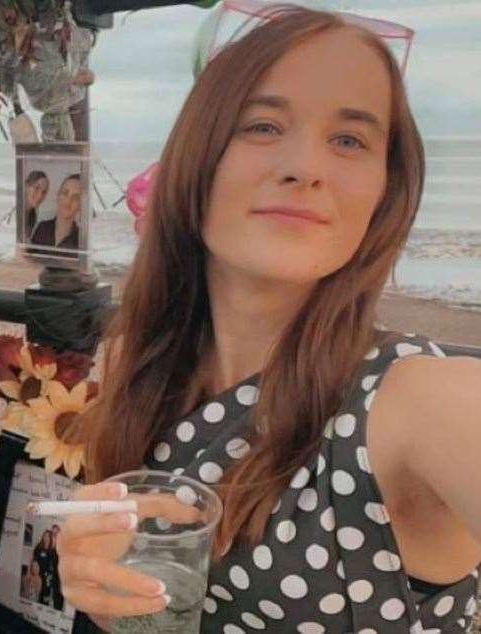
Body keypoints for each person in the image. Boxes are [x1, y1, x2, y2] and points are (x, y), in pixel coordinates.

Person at [55, 6, 481, 633]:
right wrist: (91, 573)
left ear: (385, 190)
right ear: (197, 158)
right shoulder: (134, 365)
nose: (306, 167)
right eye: (261, 125)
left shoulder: (418, 399)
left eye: (349, 140)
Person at [30, 174, 81, 251]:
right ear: (58, 196)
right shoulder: (42, 228)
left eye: (76, 197)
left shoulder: (81, 239)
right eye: (65, 193)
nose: (68, 201)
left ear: (81, 205)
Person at [22, 170, 49, 241]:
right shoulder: (18, 212)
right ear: (26, 186)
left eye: (44, 192)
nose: (40, 195)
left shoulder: (33, 214)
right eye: (36, 188)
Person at [33, 530, 56, 606]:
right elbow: (34, 561)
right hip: (38, 576)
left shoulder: (52, 551)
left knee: (45, 599)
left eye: (48, 536)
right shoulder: (38, 547)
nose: (46, 538)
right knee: (38, 596)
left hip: (48, 577)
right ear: (43, 537)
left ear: (50, 538)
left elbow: (53, 566)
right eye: (45, 536)